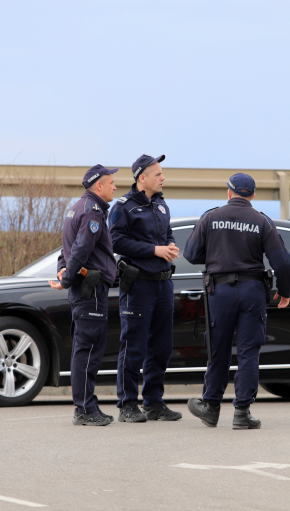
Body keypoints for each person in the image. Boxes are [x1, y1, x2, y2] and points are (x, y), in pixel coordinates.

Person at [183, 173, 290, 430]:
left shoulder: (210, 217)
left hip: (219, 292)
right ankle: (242, 413)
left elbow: (190, 254)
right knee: (248, 353)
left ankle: (210, 407)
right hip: (252, 291)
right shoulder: (261, 221)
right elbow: (283, 262)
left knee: (218, 350)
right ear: (252, 195)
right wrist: (285, 291)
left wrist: (218, 254)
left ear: (229, 192)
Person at [109, 154, 182, 423]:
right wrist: (154, 250)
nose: (163, 178)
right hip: (138, 285)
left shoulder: (162, 205)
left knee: (161, 347)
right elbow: (116, 242)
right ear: (143, 178)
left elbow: (168, 234)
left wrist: (170, 246)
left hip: (163, 285)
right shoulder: (123, 207)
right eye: (158, 174)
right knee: (133, 347)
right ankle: (127, 404)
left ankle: (154, 403)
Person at [49, 164, 118, 426]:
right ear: (98, 185)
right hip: (90, 290)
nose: (114, 187)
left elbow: (64, 251)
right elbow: (78, 250)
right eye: (111, 182)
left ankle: (87, 407)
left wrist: (62, 273)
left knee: (85, 349)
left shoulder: (76, 208)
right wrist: (66, 279)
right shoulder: (93, 212)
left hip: (84, 289)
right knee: (88, 351)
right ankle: (85, 409)